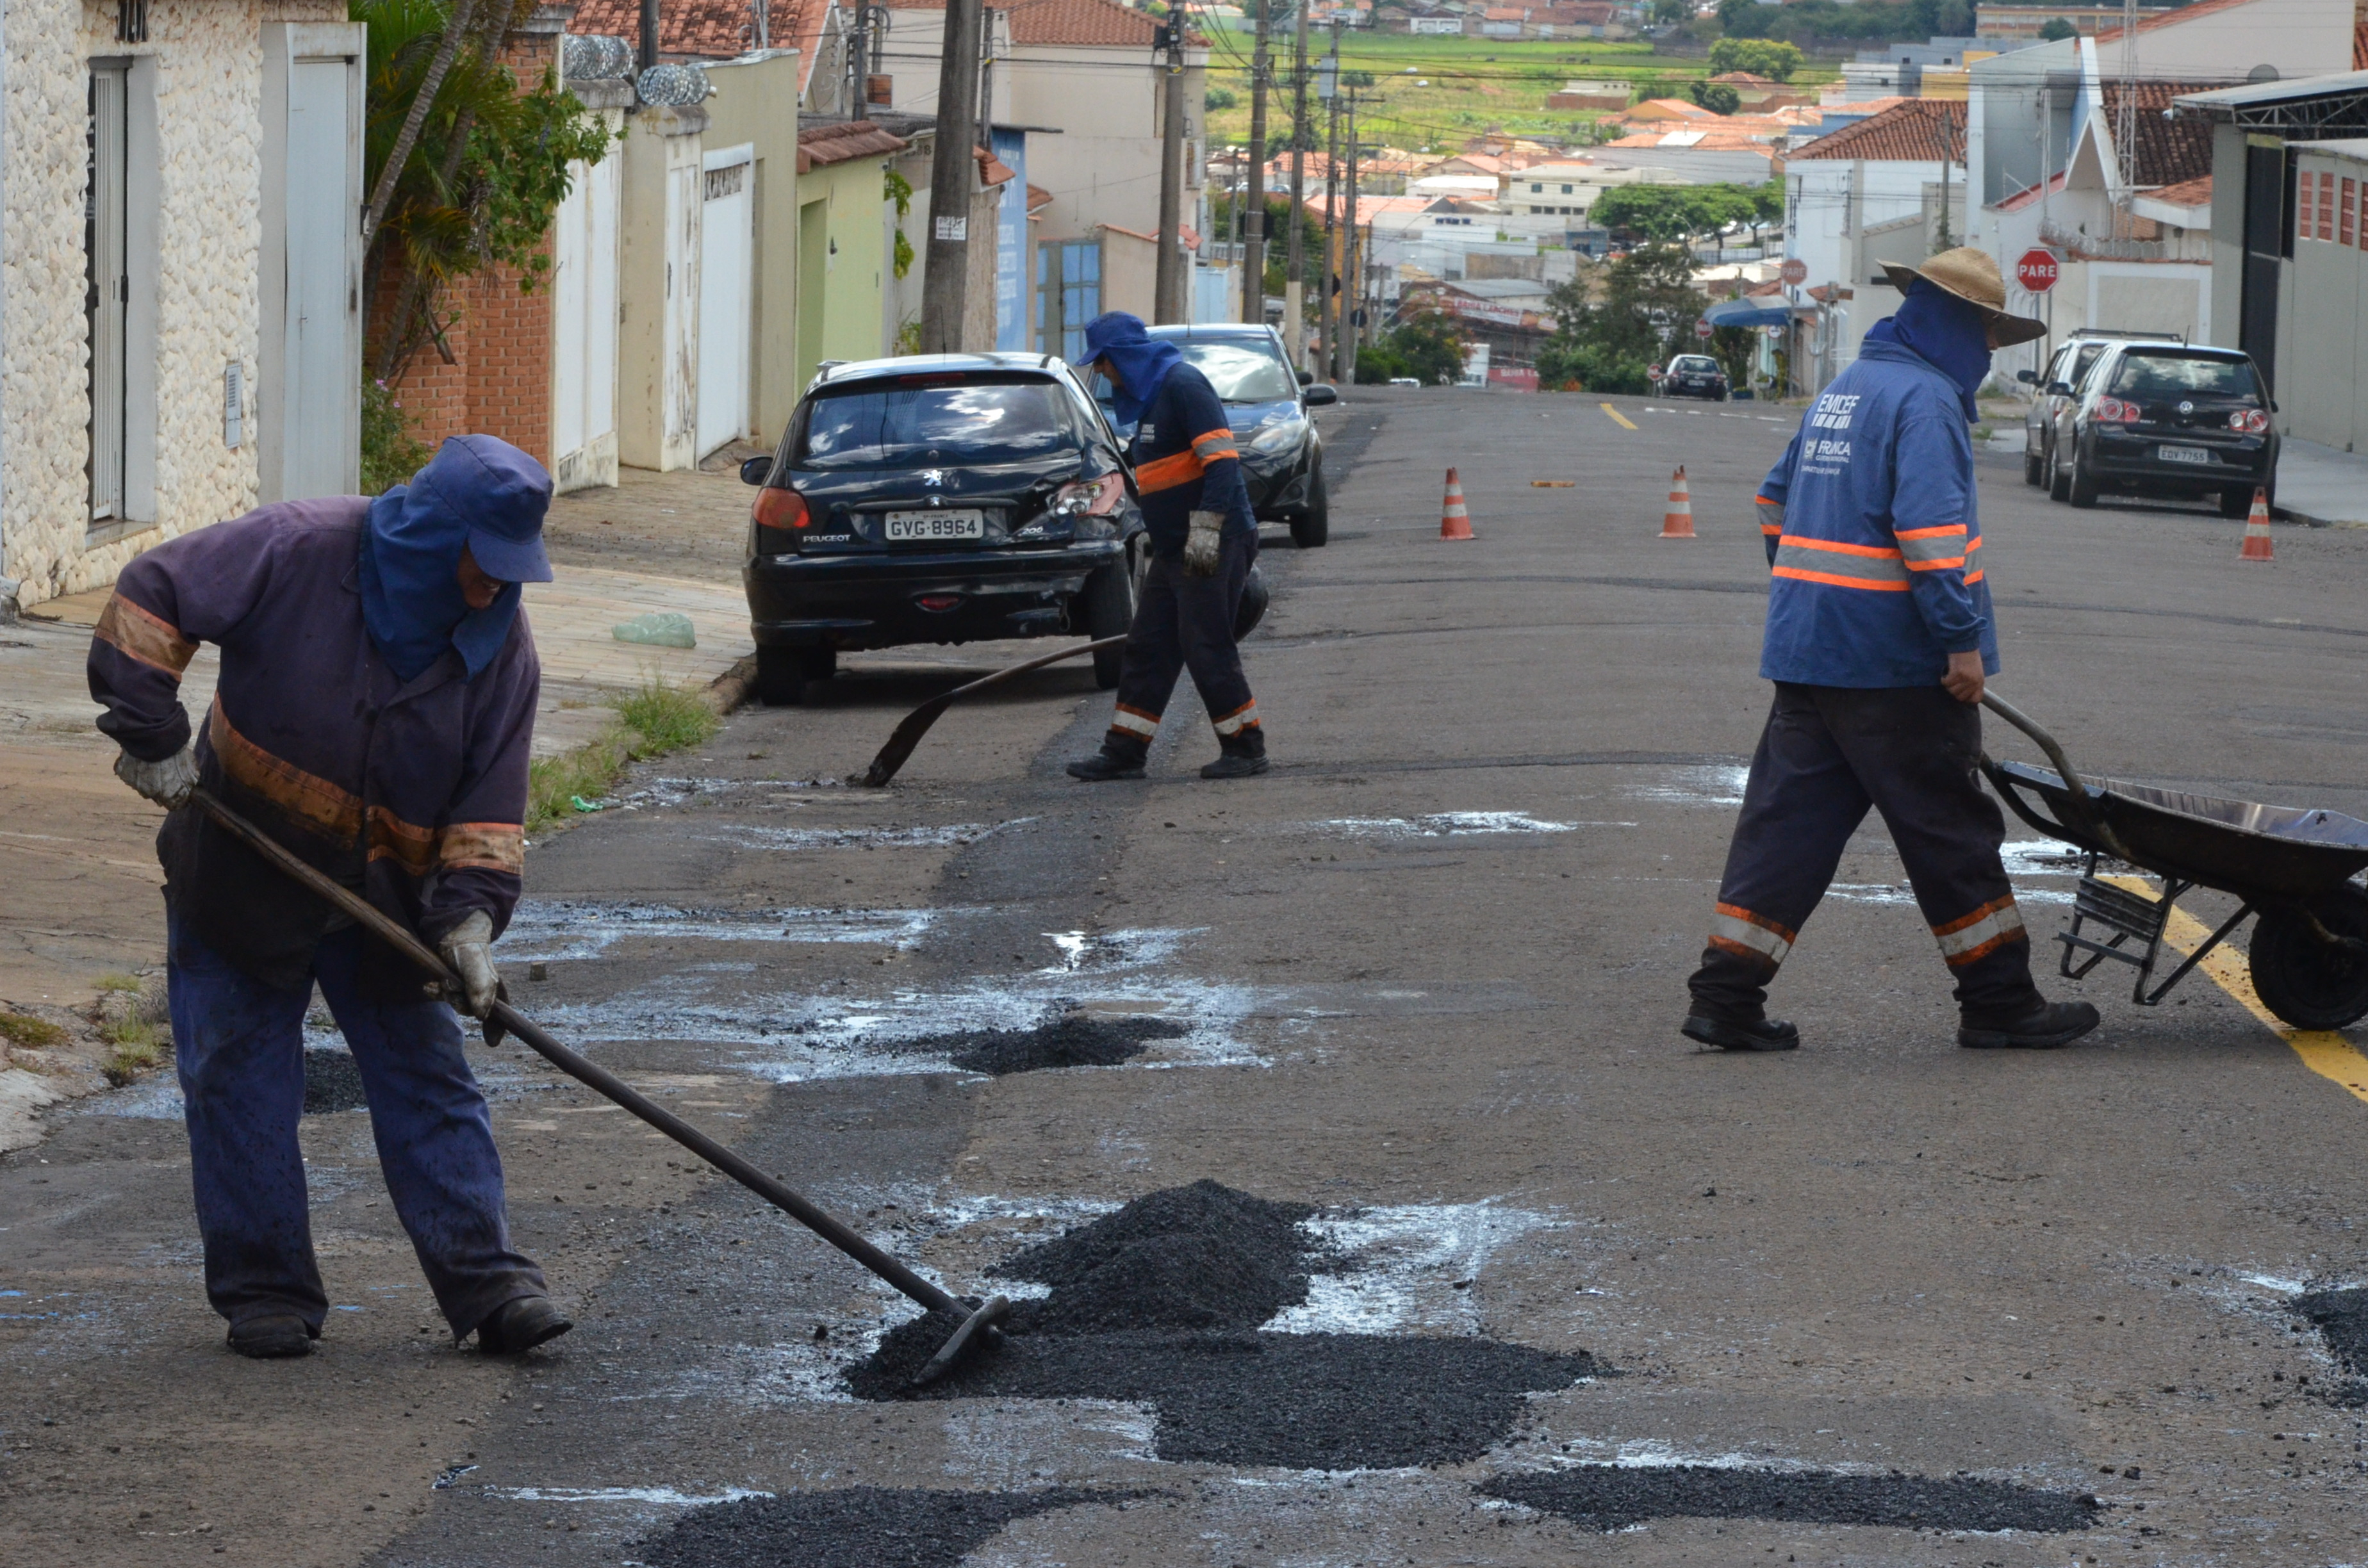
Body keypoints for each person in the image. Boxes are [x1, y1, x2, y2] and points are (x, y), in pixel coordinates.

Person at [88, 435, 571, 1359]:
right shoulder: (297, 548)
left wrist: (470, 921)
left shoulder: (502, 652)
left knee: (428, 1078)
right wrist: (151, 734)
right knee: (236, 1074)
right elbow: (153, 595)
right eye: (484, 563)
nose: (495, 587)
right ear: (433, 536)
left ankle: (492, 1284)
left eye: (513, 569)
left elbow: (488, 808)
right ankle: (266, 1293)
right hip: (241, 864)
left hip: (386, 897)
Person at [1681, 249, 2102, 1054]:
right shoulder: (1928, 401)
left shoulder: (1847, 389)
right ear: (1957, 328)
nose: (1988, 352)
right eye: (1986, 334)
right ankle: (2000, 1002)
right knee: (1950, 832)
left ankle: (1725, 996)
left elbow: (1774, 501)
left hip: (1810, 654)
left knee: (1786, 829)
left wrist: (1813, 596)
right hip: (1894, 665)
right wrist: (1960, 642)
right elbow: (1933, 540)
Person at [1065, 312, 1270, 781]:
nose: (1102, 372)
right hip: (1174, 547)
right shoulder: (1151, 397)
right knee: (1148, 645)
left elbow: (1222, 465)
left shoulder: (1183, 385)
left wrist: (1205, 535)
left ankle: (1245, 747)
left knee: (1205, 642)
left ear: (1126, 356)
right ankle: (1124, 751)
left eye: (1104, 362)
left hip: (1211, 538)